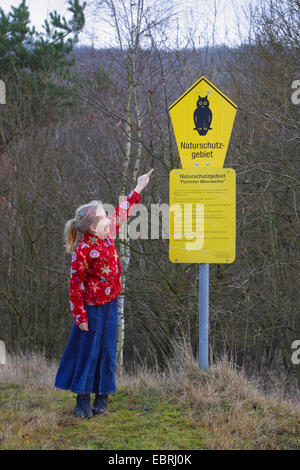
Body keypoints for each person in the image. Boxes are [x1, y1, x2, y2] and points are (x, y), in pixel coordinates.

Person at [54, 169, 154, 418]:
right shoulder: (83, 251)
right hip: (91, 310)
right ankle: (82, 398)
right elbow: (75, 285)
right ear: (91, 228)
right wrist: (80, 316)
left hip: (110, 305)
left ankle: (102, 394)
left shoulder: (108, 235)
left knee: (108, 350)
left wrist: (139, 186)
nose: (108, 220)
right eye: (102, 218)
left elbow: (122, 210)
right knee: (89, 353)